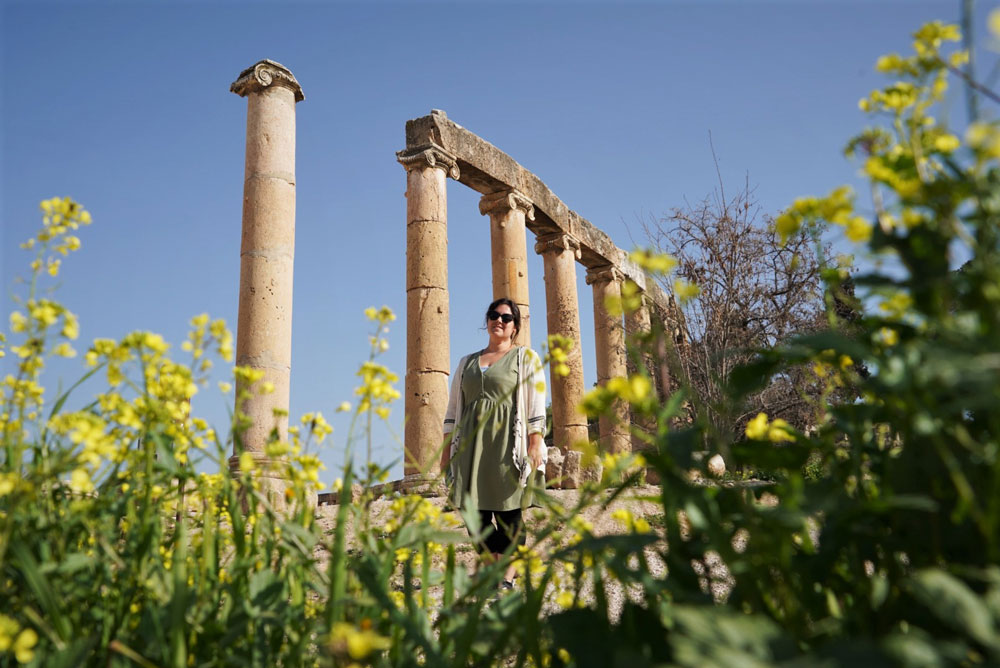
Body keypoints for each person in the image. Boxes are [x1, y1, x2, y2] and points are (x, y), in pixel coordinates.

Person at [441, 298, 547, 589]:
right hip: (470, 446)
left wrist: (535, 440)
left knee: (508, 513)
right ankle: (496, 566)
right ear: (486, 320)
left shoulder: (525, 358)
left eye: (506, 317)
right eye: (493, 315)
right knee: (473, 514)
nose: (498, 320)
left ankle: (506, 577)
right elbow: (452, 411)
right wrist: (445, 452)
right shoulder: (467, 363)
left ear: (515, 326)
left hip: (506, 445)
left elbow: (536, 402)